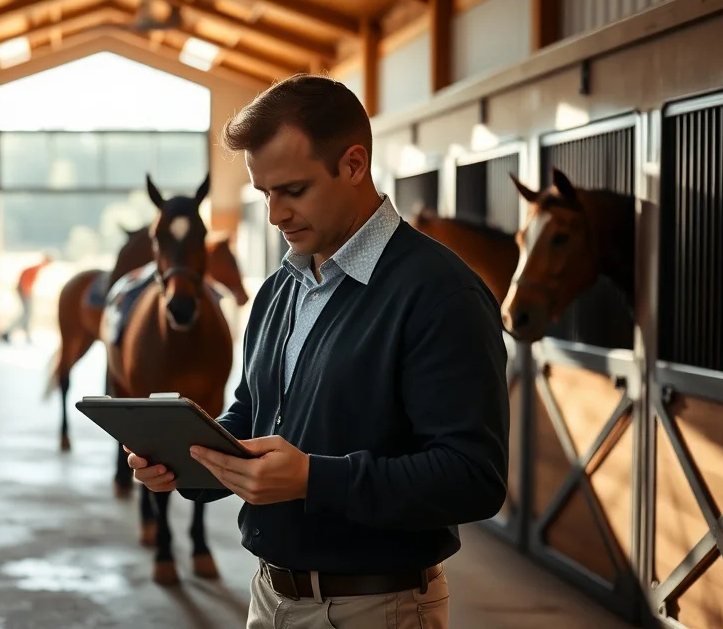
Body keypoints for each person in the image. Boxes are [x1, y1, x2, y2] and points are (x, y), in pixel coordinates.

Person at [126, 74, 509, 629]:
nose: (275, 214)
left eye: (293, 190)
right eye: (265, 194)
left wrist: (313, 479)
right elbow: (254, 413)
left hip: (376, 608)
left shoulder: (440, 293)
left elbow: (474, 477)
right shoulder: (279, 290)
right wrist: (185, 460)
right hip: (268, 597)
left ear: (354, 165)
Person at [1, 252, 52, 344]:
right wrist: (26, 294)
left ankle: (22, 333)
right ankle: (8, 332)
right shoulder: (34, 269)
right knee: (26, 314)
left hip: (25, 292)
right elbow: (24, 283)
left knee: (27, 314)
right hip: (24, 292)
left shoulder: (36, 269)